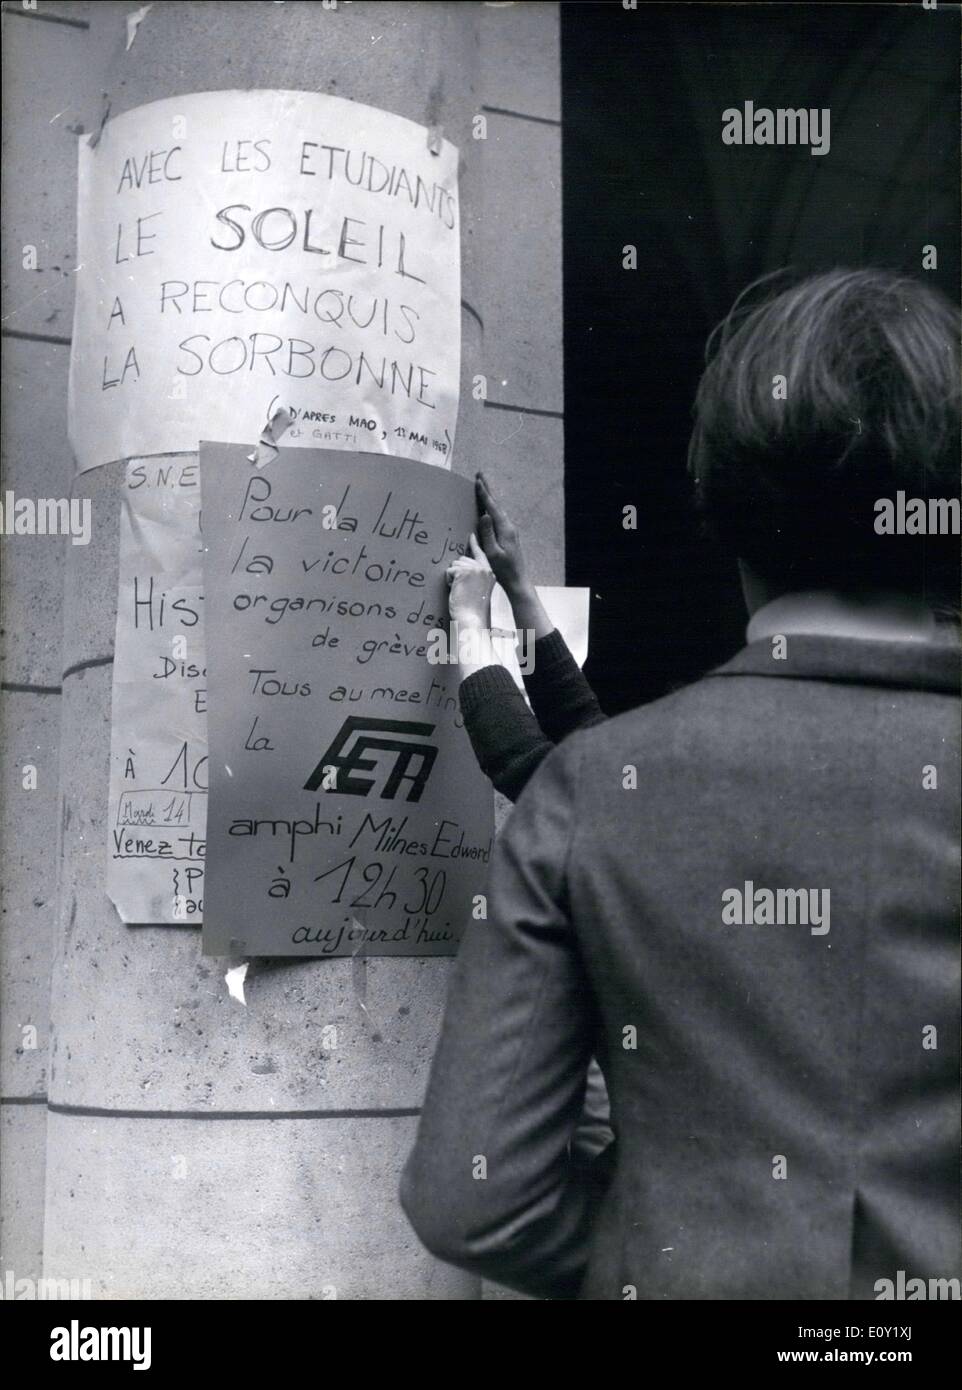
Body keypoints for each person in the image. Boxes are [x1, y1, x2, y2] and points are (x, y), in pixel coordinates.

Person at [400, 268, 961, 1300]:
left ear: (722, 510)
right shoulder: (600, 783)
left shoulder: (596, 794)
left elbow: (469, 1200)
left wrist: (671, 1252)